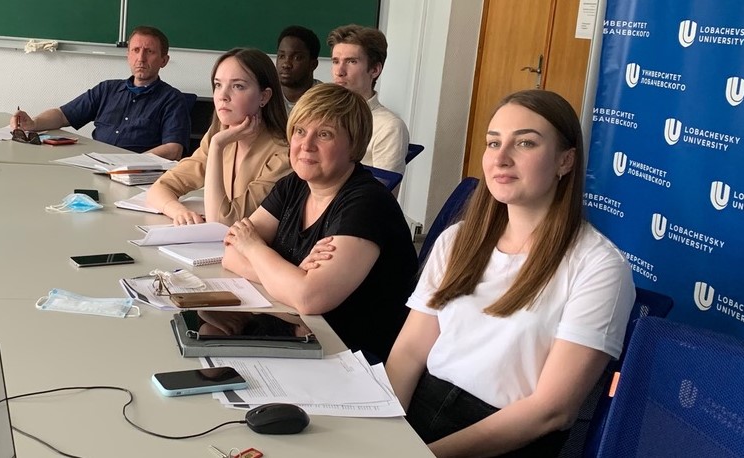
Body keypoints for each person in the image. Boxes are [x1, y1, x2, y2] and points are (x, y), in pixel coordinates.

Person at [385, 90, 635, 457]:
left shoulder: (598, 267)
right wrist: (383, 432)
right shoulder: (458, 240)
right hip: (419, 412)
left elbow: (552, 410)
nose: (501, 158)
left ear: (565, 161)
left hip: (507, 439)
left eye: (526, 143)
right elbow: (408, 354)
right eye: (493, 142)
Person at [222, 83, 418, 362]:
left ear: (354, 145)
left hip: (354, 356)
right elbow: (230, 252)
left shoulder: (366, 204)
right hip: (300, 331)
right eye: (300, 131)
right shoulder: (294, 185)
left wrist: (255, 249)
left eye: (324, 134)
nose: (306, 145)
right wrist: (291, 275)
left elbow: (309, 298)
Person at [145, 48, 290, 226]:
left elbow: (223, 221)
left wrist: (217, 145)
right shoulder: (219, 134)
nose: (223, 96)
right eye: (218, 85)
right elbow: (159, 188)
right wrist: (180, 212)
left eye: (238, 86)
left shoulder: (284, 155)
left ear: (264, 96)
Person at [11, 26, 190, 160]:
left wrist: (130, 163)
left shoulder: (172, 100)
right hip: (95, 165)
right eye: (136, 50)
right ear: (128, 55)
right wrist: (33, 123)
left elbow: (173, 149)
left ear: (164, 61)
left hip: (138, 173)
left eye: (149, 52)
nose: (141, 58)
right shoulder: (107, 89)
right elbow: (62, 115)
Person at [327, 24, 409, 175]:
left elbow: (383, 194)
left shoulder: (388, 127)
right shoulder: (321, 116)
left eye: (351, 61)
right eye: (335, 61)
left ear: (375, 70)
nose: (339, 71)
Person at [276, 25, 322, 113]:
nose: (286, 64)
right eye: (282, 56)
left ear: (313, 65)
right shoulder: (265, 96)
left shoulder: (326, 100)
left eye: (297, 57)